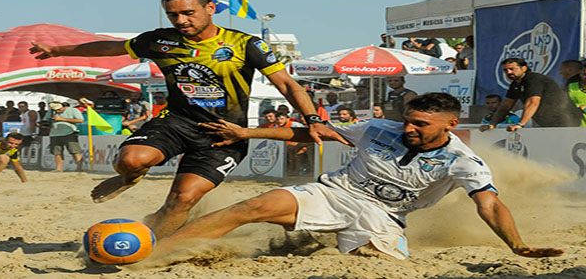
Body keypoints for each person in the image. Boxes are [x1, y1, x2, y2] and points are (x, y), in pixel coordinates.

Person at [28, 0, 346, 241]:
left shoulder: (244, 44)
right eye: (173, 15)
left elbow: (288, 85)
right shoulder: (160, 40)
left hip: (226, 134)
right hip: (177, 121)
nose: (181, 21)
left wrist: (313, 119)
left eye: (188, 13)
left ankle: (152, 244)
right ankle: (130, 177)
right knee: (130, 160)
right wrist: (59, 50)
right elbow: (109, 47)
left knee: (182, 199)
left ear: (210, 9)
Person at [160, 93, 564, 260]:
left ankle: (323, 242)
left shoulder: (464, 161)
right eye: (408, 121)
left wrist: (518, 246)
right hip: (335, 191)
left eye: (421, 124)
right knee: (252, 205)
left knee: (368, 262)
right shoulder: (377, 128)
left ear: (450, 125)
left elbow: (489, 205)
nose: (409, 129)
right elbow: (313, 132)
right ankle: (161, 250)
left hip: (383, 216)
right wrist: (248, 132)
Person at [479, 58, 581, 132]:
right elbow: (506, 105)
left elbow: (533, 102)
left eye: (512, 69)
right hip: (548, 124)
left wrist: (520, 124)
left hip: (567, 122)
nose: (508, 72)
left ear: (524, 68)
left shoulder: (533, 79)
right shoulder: (516, 84)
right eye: (506, 70)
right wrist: (492, 124)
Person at [44, 101, 84, 172]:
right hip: (54, 133)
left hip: (69, 133)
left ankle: (79, 168)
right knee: (57, 152)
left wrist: (62, 119)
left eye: (59, 109)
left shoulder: (73, 110)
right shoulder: (50, 112)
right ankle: (58, 168)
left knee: (74, 151)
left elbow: (80, 120)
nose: (57, 111)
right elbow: (45, 121)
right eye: (55, 110)